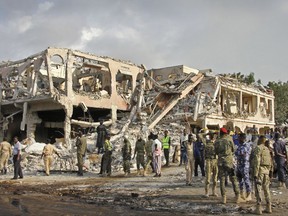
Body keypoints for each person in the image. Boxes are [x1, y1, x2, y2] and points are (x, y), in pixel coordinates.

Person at [214, 127, 241, 204]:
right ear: (225, 133)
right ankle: (237, 196)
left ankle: (224, 198)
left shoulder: (217, 141)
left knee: (222, 180)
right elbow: (233, 149)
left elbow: (215, 152)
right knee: (233, 178)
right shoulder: (229, 139)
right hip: (229, 162)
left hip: (220, 162)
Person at [251, 135, 272, 214]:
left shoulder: (258, 148)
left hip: (259, 170)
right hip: (266, 171)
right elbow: (270, 161)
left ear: (260, 140)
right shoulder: (267, 149)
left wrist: (255, 173)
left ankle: (258, 208)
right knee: (266, 189)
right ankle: (268, 206)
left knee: (258, 189)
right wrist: (269, 172)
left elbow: (257, 161)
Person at [235, 133, 252, 201]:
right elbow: (237, 153)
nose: (238, 139)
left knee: (246, 180)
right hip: (239, 165)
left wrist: (237, 152)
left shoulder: (247, 145)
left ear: (243, 138)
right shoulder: (240, 145)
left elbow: (241, 153)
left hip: (245, 165)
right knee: (240, 181)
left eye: (239, 138)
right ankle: (241, 194)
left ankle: (249, 194)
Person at [201, 132, 218, 197]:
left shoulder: (216, 143)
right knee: (208, 178)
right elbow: (200, 135)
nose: (214, 137)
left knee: (215, 178)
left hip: (215, 160)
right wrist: (207, 133)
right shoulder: (206, 143)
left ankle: (214, 192)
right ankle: (207, 192)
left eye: (214, 136)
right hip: (208, 160)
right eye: (213, 136)